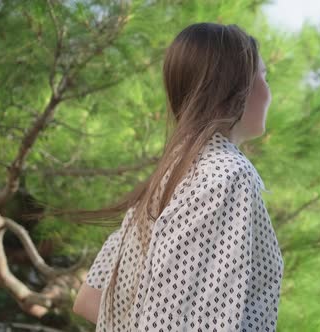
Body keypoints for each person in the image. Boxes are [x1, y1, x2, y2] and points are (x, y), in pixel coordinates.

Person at [72, 22, 284, 331]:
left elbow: (90, 300)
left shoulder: (171, 175)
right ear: (237, 87)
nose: (269, 92)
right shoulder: (228, 176)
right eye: (264, 76)